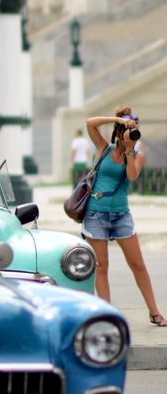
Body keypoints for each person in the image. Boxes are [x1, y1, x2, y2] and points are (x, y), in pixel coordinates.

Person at [84, 106, 165, 327]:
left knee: (138, 264)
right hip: (95, 213)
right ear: (118, 132)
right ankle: (107, 314)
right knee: (101, 266)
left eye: (136, 131)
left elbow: (131, 175)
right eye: (129, 131)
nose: (134, 135)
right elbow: (91, 123)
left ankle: (154, 312)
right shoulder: (103, 147)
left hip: (121, 215)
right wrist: (118, 120)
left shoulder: (138, 155)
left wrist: (130, 149)